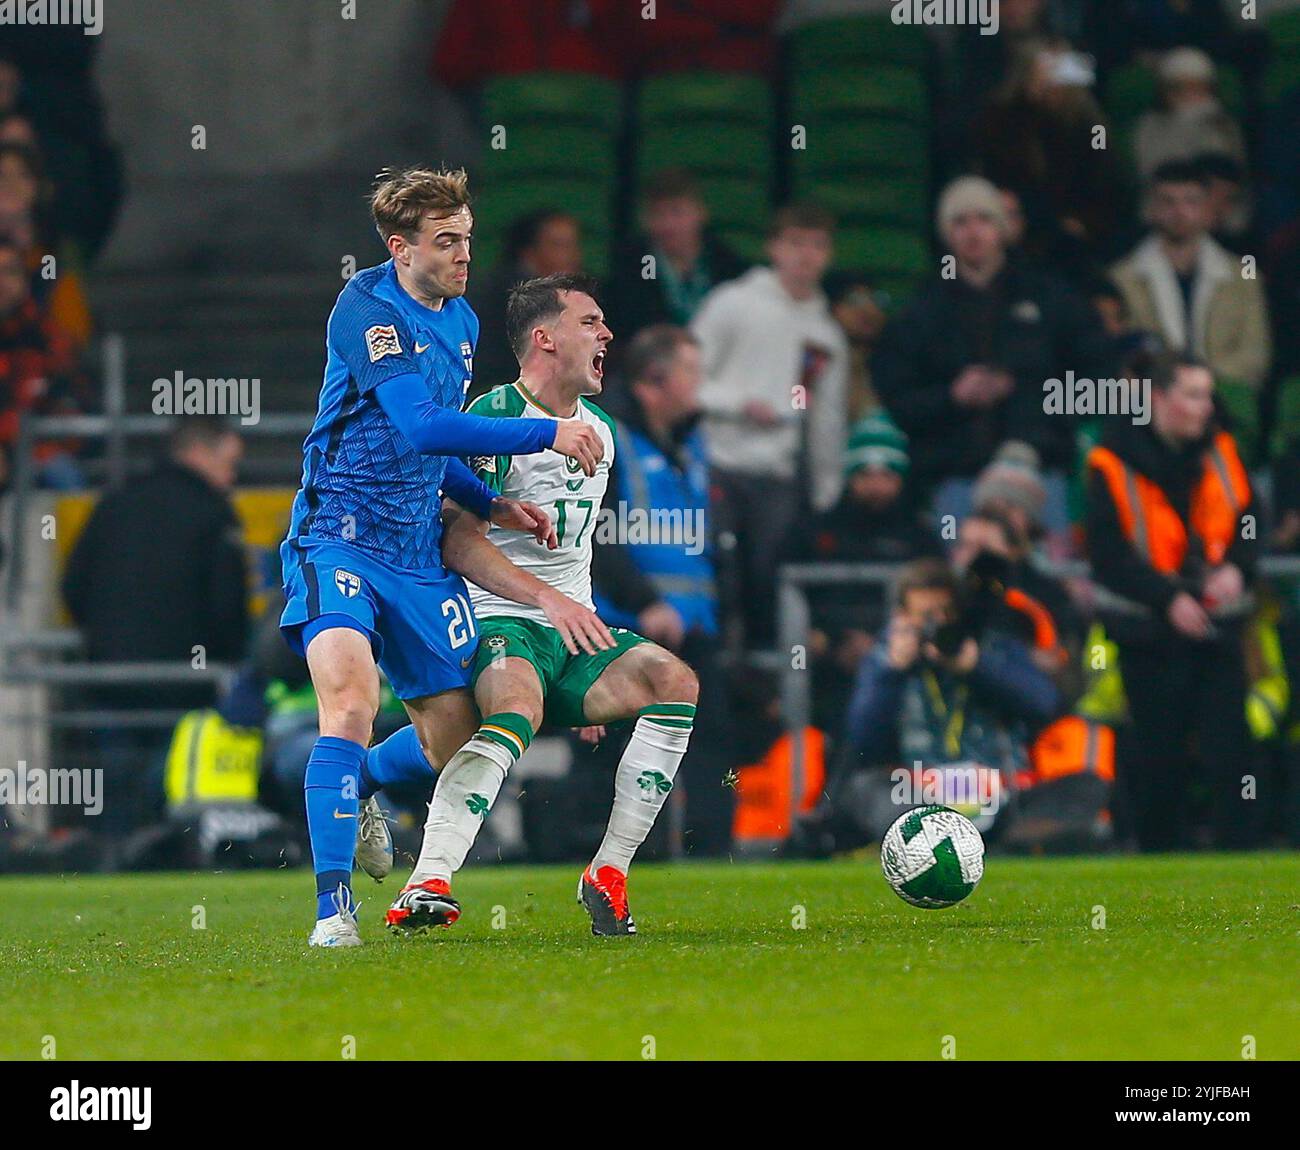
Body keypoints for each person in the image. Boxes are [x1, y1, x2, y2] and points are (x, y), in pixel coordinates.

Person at [279, 167, 610, 946]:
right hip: (341, 535)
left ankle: (356, 785)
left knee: (455, 738)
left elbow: (430, 453)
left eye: (467, 239)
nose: (465, 255)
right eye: (446, 241)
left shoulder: (459, 321)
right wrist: (546, 432)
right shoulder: (368, 311)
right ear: (400, 247)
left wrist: (490, 503)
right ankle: (334, 914)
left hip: (418, 552)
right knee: (351, 704)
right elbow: (422, 423)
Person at [386, 275, 700, 938]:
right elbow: (457, 539)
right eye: (590, 322)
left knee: (675, 680)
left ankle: (607, 873)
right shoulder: (494, 416)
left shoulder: (604, 434)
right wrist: (550, 605)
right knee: (517, 705)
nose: (606, 334)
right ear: (545, 338)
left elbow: (577, 556)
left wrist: (582, 648)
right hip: (491, 618)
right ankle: (428, 879)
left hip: (562, 626)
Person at [1084, 354, 1259, 849]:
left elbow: (1251, 521)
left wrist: (1236, 570)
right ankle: (1158, 860)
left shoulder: (1221, 450)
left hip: (1217, 624)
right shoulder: (1111, 459)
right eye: (1193, 395)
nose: (1206, 407)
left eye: (1207, 395)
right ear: (1159, 398)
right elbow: (1108, 554)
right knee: (1159, 756)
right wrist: (1167, 599)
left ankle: (1240, 863)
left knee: (1231, 753)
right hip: (1147, 634)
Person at [873, 175, 1115, 532]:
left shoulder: (1052, 298)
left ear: (1001, 227)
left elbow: (1101, 376)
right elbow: (897, 395)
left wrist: (1032, 400)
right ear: (946, 233)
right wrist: (952, 396)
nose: (973, 232)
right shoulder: (921, 311)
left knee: (1046, 585)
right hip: (954, 482)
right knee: (964, 582)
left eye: (983, 219)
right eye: (960, 221)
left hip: (1039, 476)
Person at [61, 417, 249, 841]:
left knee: (114, 799)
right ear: (199, 453)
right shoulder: (214, 514)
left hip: (108, 683)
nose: (232, 477)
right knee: (174, 800)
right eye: (228, 463)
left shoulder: (115, 502)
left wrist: (103, 643)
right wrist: (228, 663)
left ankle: (110, 867)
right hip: (187, 691)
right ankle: (176, 861)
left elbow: (73, 584)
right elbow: (228, 607)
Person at [593, 323, 735, 855]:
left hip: (696, 623)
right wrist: (646, 602)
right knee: (631, 751)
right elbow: (599, 539)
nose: (700, 384)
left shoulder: (695, 443)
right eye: (690, 372)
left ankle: (711, 854)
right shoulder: (610, 441)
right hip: (630, 626)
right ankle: (631, 861)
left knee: (711, 741)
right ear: (653, 382)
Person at [692, 202, 849, 643]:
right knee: (717, 570)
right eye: (795, 243)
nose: (805, 255)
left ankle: (761, 683)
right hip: (718, 461)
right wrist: (740, 403)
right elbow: (688, 380)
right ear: (774, 247)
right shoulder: (732, 304)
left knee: (768, 580)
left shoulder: (825, 334)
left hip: (778, 475)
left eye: (817, 245)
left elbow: (824, 418)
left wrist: (825, 492)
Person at [841, 557, 1060, 777]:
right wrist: (892, 672)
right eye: (927, 616)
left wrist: (978, 667)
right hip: (916, 787)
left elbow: (1045, 703)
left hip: (994, 782)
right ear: (902, 617)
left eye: (947, 612)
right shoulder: (885, 659)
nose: (939, 623)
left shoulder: (991, 646)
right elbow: (863, 742)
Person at [1111, 160, 1271, 391]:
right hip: (1152, 402)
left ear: (1208, 208)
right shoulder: (1122, 278)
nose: (1179, 212)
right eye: (1168, 201)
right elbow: (1123, 354)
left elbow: (1256, 355)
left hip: (1228, 399)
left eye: (1191, 201)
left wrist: (1199, 383)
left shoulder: (1244, 277)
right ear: (1152, 208)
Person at [609, 168, 747, 336]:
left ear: (700, 213)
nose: (668, 225)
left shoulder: (727, 264)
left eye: (677, 212)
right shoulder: (632, 266)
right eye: (658, 214)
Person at [471, 210, 584, 398]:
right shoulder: (507, 296)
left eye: (574, 244)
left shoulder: (574, 294)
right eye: (560, 245)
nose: (573, 254)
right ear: (528, 252)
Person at [1132, 47, 1247, 185]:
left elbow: (1228, 174)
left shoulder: (1223, 124)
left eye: (1197, 87)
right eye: (1179, 88)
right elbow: (1149, 171)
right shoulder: (1150, 125)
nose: (1189, 95)